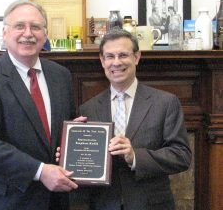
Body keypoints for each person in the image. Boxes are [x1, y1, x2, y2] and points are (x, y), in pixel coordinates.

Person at [0, 0, 78, 210]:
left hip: (53, 200)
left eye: (35, 27)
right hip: (1, 200)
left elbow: (63, 129)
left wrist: (74, 137)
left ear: (45, 34)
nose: (28, 33)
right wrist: (41, 171)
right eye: (19, 26)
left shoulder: (61, 76)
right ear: (5, 34)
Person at [58, 30, 192, 210]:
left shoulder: (165, 102)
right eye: (109, 56)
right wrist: (68, 155)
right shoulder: (87, 109)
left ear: (136, 57)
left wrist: (135, 156)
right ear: (102, 60)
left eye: (123, 55)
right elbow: (86, 163)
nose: (116, 62)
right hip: (103, 204)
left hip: (151, 204)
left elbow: (181, 156)